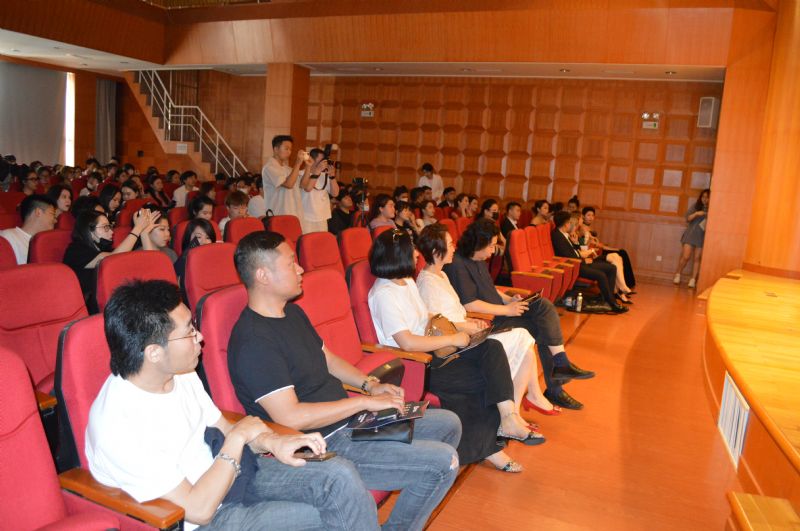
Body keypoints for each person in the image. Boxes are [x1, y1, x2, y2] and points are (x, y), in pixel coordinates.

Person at [88, 280, 377, 531]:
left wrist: (273, 442)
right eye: (189, 332)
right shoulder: (118, 427)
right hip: (206, 517)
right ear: (153, 353)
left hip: (232, 473)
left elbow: (223, 426)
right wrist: (237, 439)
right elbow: (199, 509)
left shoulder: (179, 372)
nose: (200, 337)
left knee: (340, 478)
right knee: (334, 511)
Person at [228, 231, 462, 529]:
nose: (300, 269)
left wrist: (370, 385)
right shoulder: (254, 341)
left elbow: (328, 359)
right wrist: (363, 403)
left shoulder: (292, 313)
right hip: (322, 442)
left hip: (352, 423)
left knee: (449, 424)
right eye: (290, 263)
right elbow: (291, 417)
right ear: (262, 275)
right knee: (443, 463)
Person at [367, 229, 541, 472]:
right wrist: (452, 338)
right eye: (412, 249)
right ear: (399, 254)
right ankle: (490, 449)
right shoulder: (384, 294)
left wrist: (460, 327)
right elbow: (407, 343)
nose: (417, 253)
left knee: (492, 347)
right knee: (478, 377)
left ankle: (508, 417)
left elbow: (425, 316)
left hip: (435, 348)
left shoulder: (406, 281)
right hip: (418, 363)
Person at [445, 218, 595, 411]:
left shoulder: (479, 259)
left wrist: (508, 299)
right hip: (488, 320)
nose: (493, 251)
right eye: (490, 246)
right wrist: (507, 309)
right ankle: (556, 383)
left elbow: (490, 288)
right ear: (478, 243)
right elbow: (470, 303)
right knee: (541, 328)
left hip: (501, 310)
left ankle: (560, 363)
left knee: (543, 306)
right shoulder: (458, 264)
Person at [416, 224, 556, 423]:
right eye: (449, 244)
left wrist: (469, 320)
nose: (454, 248)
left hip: (468, 332)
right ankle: (517, 409)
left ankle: (514, 412)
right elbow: (435, 325)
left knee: (525, 347)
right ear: (436, 252)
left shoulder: (442, 274)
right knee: (523, 337)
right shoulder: (427, 283)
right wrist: (464, 326)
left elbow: (454, 311)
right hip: (456, 345)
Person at [63, 208, 158, 313]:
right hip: (92, 306)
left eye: (110, 226)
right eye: (106, 227)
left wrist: (144, 232)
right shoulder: (75, 250)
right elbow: (112, 259)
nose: (112, 232)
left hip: (114, 300)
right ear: (90, 231)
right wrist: (137, 229)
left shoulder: (105, 249)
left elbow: (150, 260)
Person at [551, 212, 627, 313]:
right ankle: (612, 303)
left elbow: (573, 251)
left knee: (611, 268)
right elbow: (567, 256)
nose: (570, 224)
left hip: (579, 262)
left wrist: (576, 243)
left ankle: (607, 298)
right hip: (575, 266)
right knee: (601, 275)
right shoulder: (557, 236)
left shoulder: (565, 234)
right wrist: (582, 259)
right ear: (565, 224)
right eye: (569, 222)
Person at [581, 206, 635, 297]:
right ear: (583, 216)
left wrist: (609, 248)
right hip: (594, 253)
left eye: (592, 215)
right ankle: (624, 287)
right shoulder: (583, 228)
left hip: (596, 251)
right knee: (621, 253)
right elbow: (593, 244)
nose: (591, 217)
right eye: (588, 215)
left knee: (621, 254)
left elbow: (597, 243)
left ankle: (621, 288)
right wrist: (612, 249)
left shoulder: (588, 227)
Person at [262, 135, 311, 219]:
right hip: (278, 214)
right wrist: (298, 163)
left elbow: (304, 185)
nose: (289, 152)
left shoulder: (288, 169)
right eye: (286, 148)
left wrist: (308, 167)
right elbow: (289, 184)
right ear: (276, 149)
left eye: (290, 149)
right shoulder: (269, 167)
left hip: (293, 213)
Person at [0, 194, 57, 264]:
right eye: (52, 214)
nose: (55, 220)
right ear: (38, 212)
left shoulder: (46, 243)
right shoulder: (7, 237)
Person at [674, 188, 710, 289]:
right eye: (703, 197)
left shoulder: (712, 208)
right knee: (686, 256)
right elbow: (687, 218)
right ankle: (678, 274)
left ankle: (693, 280)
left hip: (702, 236)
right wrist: (696, 213)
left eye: (707, 197)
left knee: (697, 258)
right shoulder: (696, 206)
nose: (705, 199)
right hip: (691, 234)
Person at [300, 148, 339, 234]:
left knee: (320, 241)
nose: (323, 163)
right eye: (321, 160)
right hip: (306, 217)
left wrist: (332, 176)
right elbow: (308, 188)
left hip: (322, 217)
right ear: (311, 160)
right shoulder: (302, 174)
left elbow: (335, 193)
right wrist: (317, 171)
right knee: (306, 241)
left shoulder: (325, 175)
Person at [174, 218, 217, 284]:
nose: (204, 242)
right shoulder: (183, 260)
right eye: (198, 237)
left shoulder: (216, 258)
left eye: (208, 238)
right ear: (188, 238)